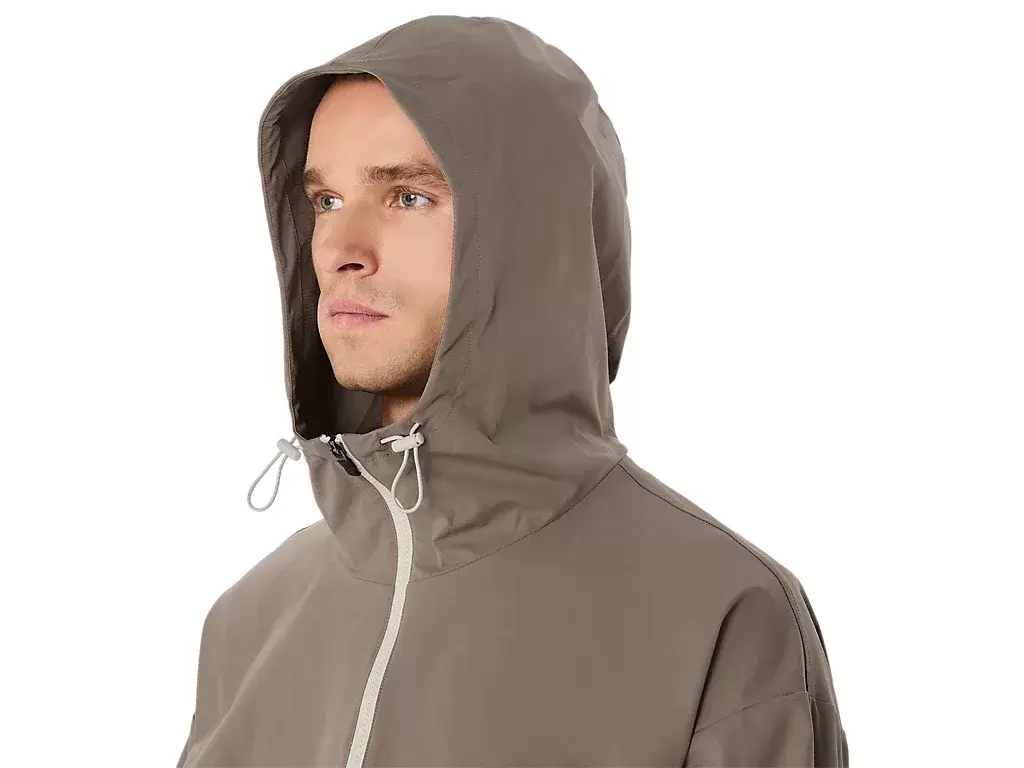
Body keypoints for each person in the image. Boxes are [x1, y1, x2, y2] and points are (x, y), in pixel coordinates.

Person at [177, 14, 849, 767]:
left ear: (534, 235)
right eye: (325, 201)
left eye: (407, 197)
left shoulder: (721, 615)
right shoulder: (248, 623)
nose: (338, 248)